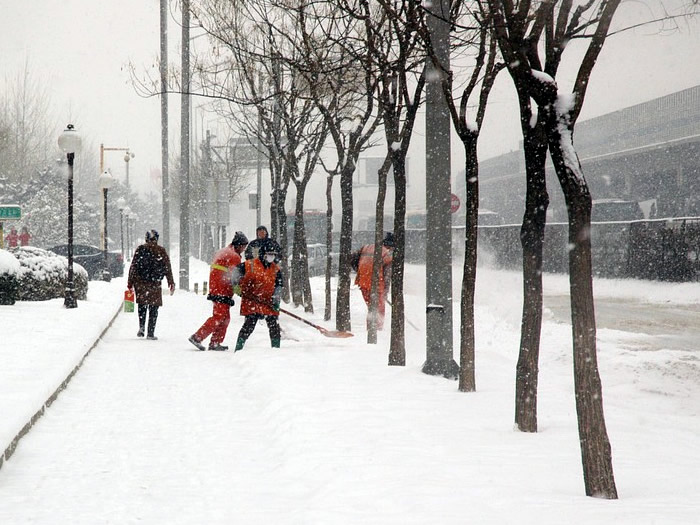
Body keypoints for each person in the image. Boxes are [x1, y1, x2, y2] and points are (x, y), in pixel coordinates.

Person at [188, 231, 249, 351]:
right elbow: (235, 277)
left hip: (216, 288)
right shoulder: (234, 256)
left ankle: (215, 342)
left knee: (224, 318)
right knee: (219, 317)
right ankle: (197, 337)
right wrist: (242, 291)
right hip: (222, 290)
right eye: (243, 246)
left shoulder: (223, 251)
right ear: (239, 244)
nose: (244, 249)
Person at [232, 239, 284, 351]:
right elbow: (235, 273)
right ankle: (238, 348)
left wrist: (276, 297)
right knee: (249, 326)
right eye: (269, 254)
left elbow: (279, 284)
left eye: (273, 255)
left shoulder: (275, 269)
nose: (272, 257)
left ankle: (276, 350)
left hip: (268, 302)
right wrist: (237, 288)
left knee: (274, 326)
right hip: (252, 300)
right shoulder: (250, 265)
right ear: (263, 254)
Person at [127, 229, 175, 340]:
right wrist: (171, 282)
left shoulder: (140, 249)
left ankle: (141, 327)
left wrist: (130, 283)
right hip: (155, 284)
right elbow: (167, 267)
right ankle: (150, 333)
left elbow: (133, 267)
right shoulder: (161, 251)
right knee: (154, 308)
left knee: (142, 306)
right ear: (156, 239)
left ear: (146, 238)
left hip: (141, 283)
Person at [352, 232, 394, 330]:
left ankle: (371, 329)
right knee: (379, 310)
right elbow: (387, 276)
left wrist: (360, 271)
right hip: (377, 285)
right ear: (391, 246)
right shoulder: (387, 254)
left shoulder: (366, 247)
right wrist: (385, 292)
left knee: (371, 307)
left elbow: (353, 259)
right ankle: (376, 331)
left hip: (363, 283)